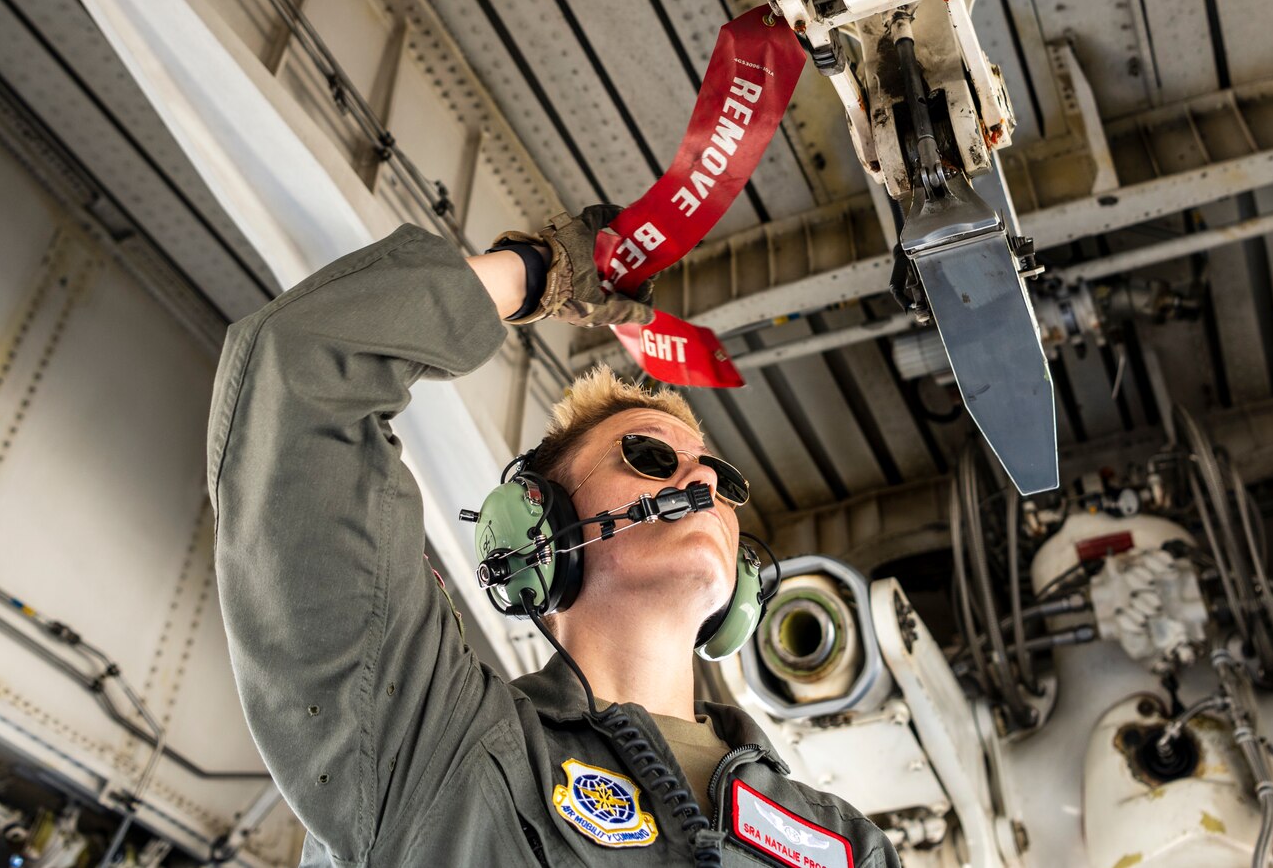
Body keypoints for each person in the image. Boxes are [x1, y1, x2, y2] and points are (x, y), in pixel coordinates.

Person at [211, 207, 899, 866]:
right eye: (650, 456)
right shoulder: (435, 748)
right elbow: (300, 368)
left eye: (719, 475)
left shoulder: (846, 844)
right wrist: (538, 272)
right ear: (537, 529)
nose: (703, 481)